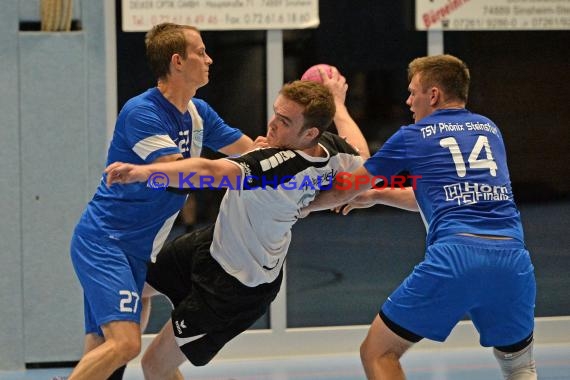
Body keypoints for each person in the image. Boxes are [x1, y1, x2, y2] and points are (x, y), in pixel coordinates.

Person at [105, 76, 369, 379]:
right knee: (131, 289)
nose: (272, 125)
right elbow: (363, 163)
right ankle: (109, 367)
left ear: (309, 131)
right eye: (275, 113)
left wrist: (145, 172)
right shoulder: (329, 150)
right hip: (214, 243)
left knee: (156, 365)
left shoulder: (276, 164)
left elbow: (208, 170)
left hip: (235, 286)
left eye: (284, 121)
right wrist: (339, 107)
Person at [301, 54, 537, 380]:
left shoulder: (413, 136)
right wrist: (377, 196)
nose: (408, 101)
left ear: (434, 95)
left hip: (455, 256)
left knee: (378, 352)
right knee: (518, 365)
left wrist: (300, 207)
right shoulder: (489, 129)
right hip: (513, 259)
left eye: (413, 92)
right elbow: (445, 197)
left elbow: (347, 184)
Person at [66, 23, 256, 380]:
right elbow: (177, 173)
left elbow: (250, 154)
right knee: (125, 344)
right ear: (177, 62)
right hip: (106, 242)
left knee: (102, 350)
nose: (209, 59)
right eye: (200, 51)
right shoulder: (142, 112)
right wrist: (228, 170)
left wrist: (298, 158)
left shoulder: (198, 113)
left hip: (138, 251)